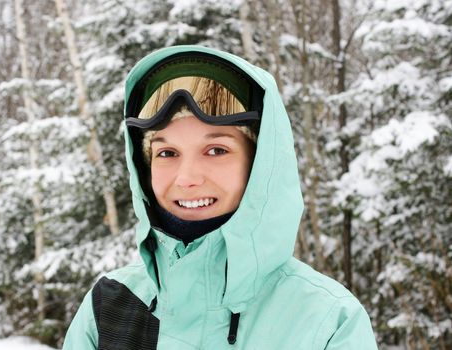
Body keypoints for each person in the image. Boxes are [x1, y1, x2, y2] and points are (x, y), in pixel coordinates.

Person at [63, 45, 378, 349]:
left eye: (216, 150)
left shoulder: (327, 320)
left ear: (259, 163)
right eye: (167, 152)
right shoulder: (109, 306)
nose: (187, 178)